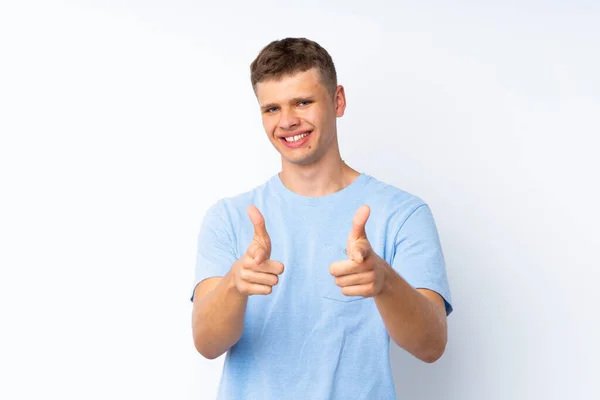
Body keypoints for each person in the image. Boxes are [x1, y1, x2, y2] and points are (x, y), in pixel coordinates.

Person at [190, 37, 453, 400]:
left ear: (338, 100)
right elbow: (206, 343)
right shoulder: (230, 217)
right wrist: (236, 283)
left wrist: (384, 282)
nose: (287, 122)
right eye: (271, 109)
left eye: (303, 102)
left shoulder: (403, 214)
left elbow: (431, 345)